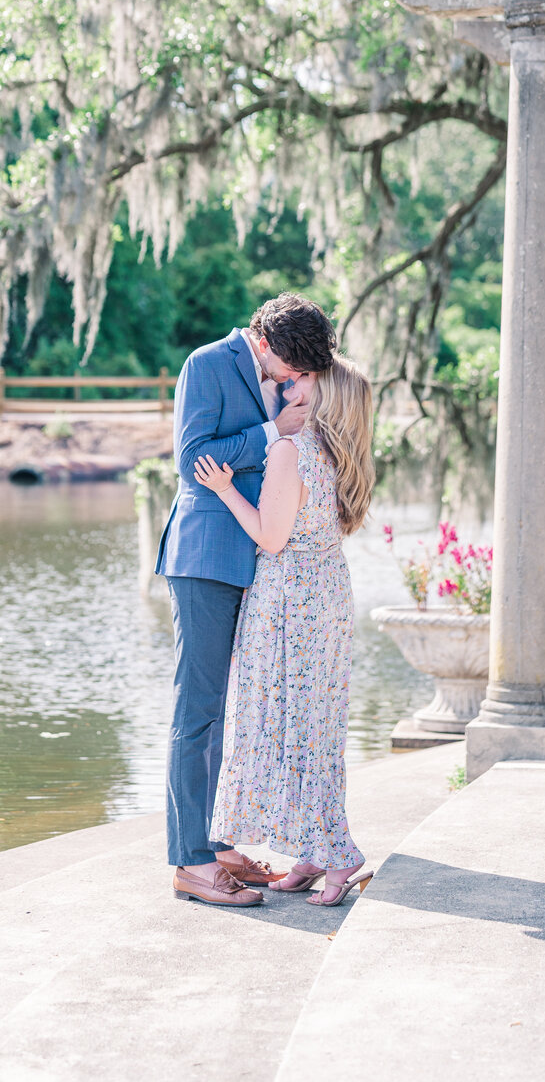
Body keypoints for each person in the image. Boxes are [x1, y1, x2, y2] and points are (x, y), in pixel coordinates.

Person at [155, 293, 337, 907]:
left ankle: (222, 845)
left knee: (240, 712)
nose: (294, 381)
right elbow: (190, 461)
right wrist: (269, 432)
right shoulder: (205, 364)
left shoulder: (284, 368)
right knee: (200, 709)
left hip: (264, 562)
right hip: (206, 556)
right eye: (291, 368)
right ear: (265, 341)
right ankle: (190, 861)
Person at [193, 354, 375, 905]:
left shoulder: (289, 450)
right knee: (314, 729)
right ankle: (315, 852)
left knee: (290, 727)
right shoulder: (342, 455)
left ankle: (340, 856)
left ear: (318, 394)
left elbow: (271, 539)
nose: (288, 384)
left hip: (287, 603)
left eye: (299, 380)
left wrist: (225, 489)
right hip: (326, 598)